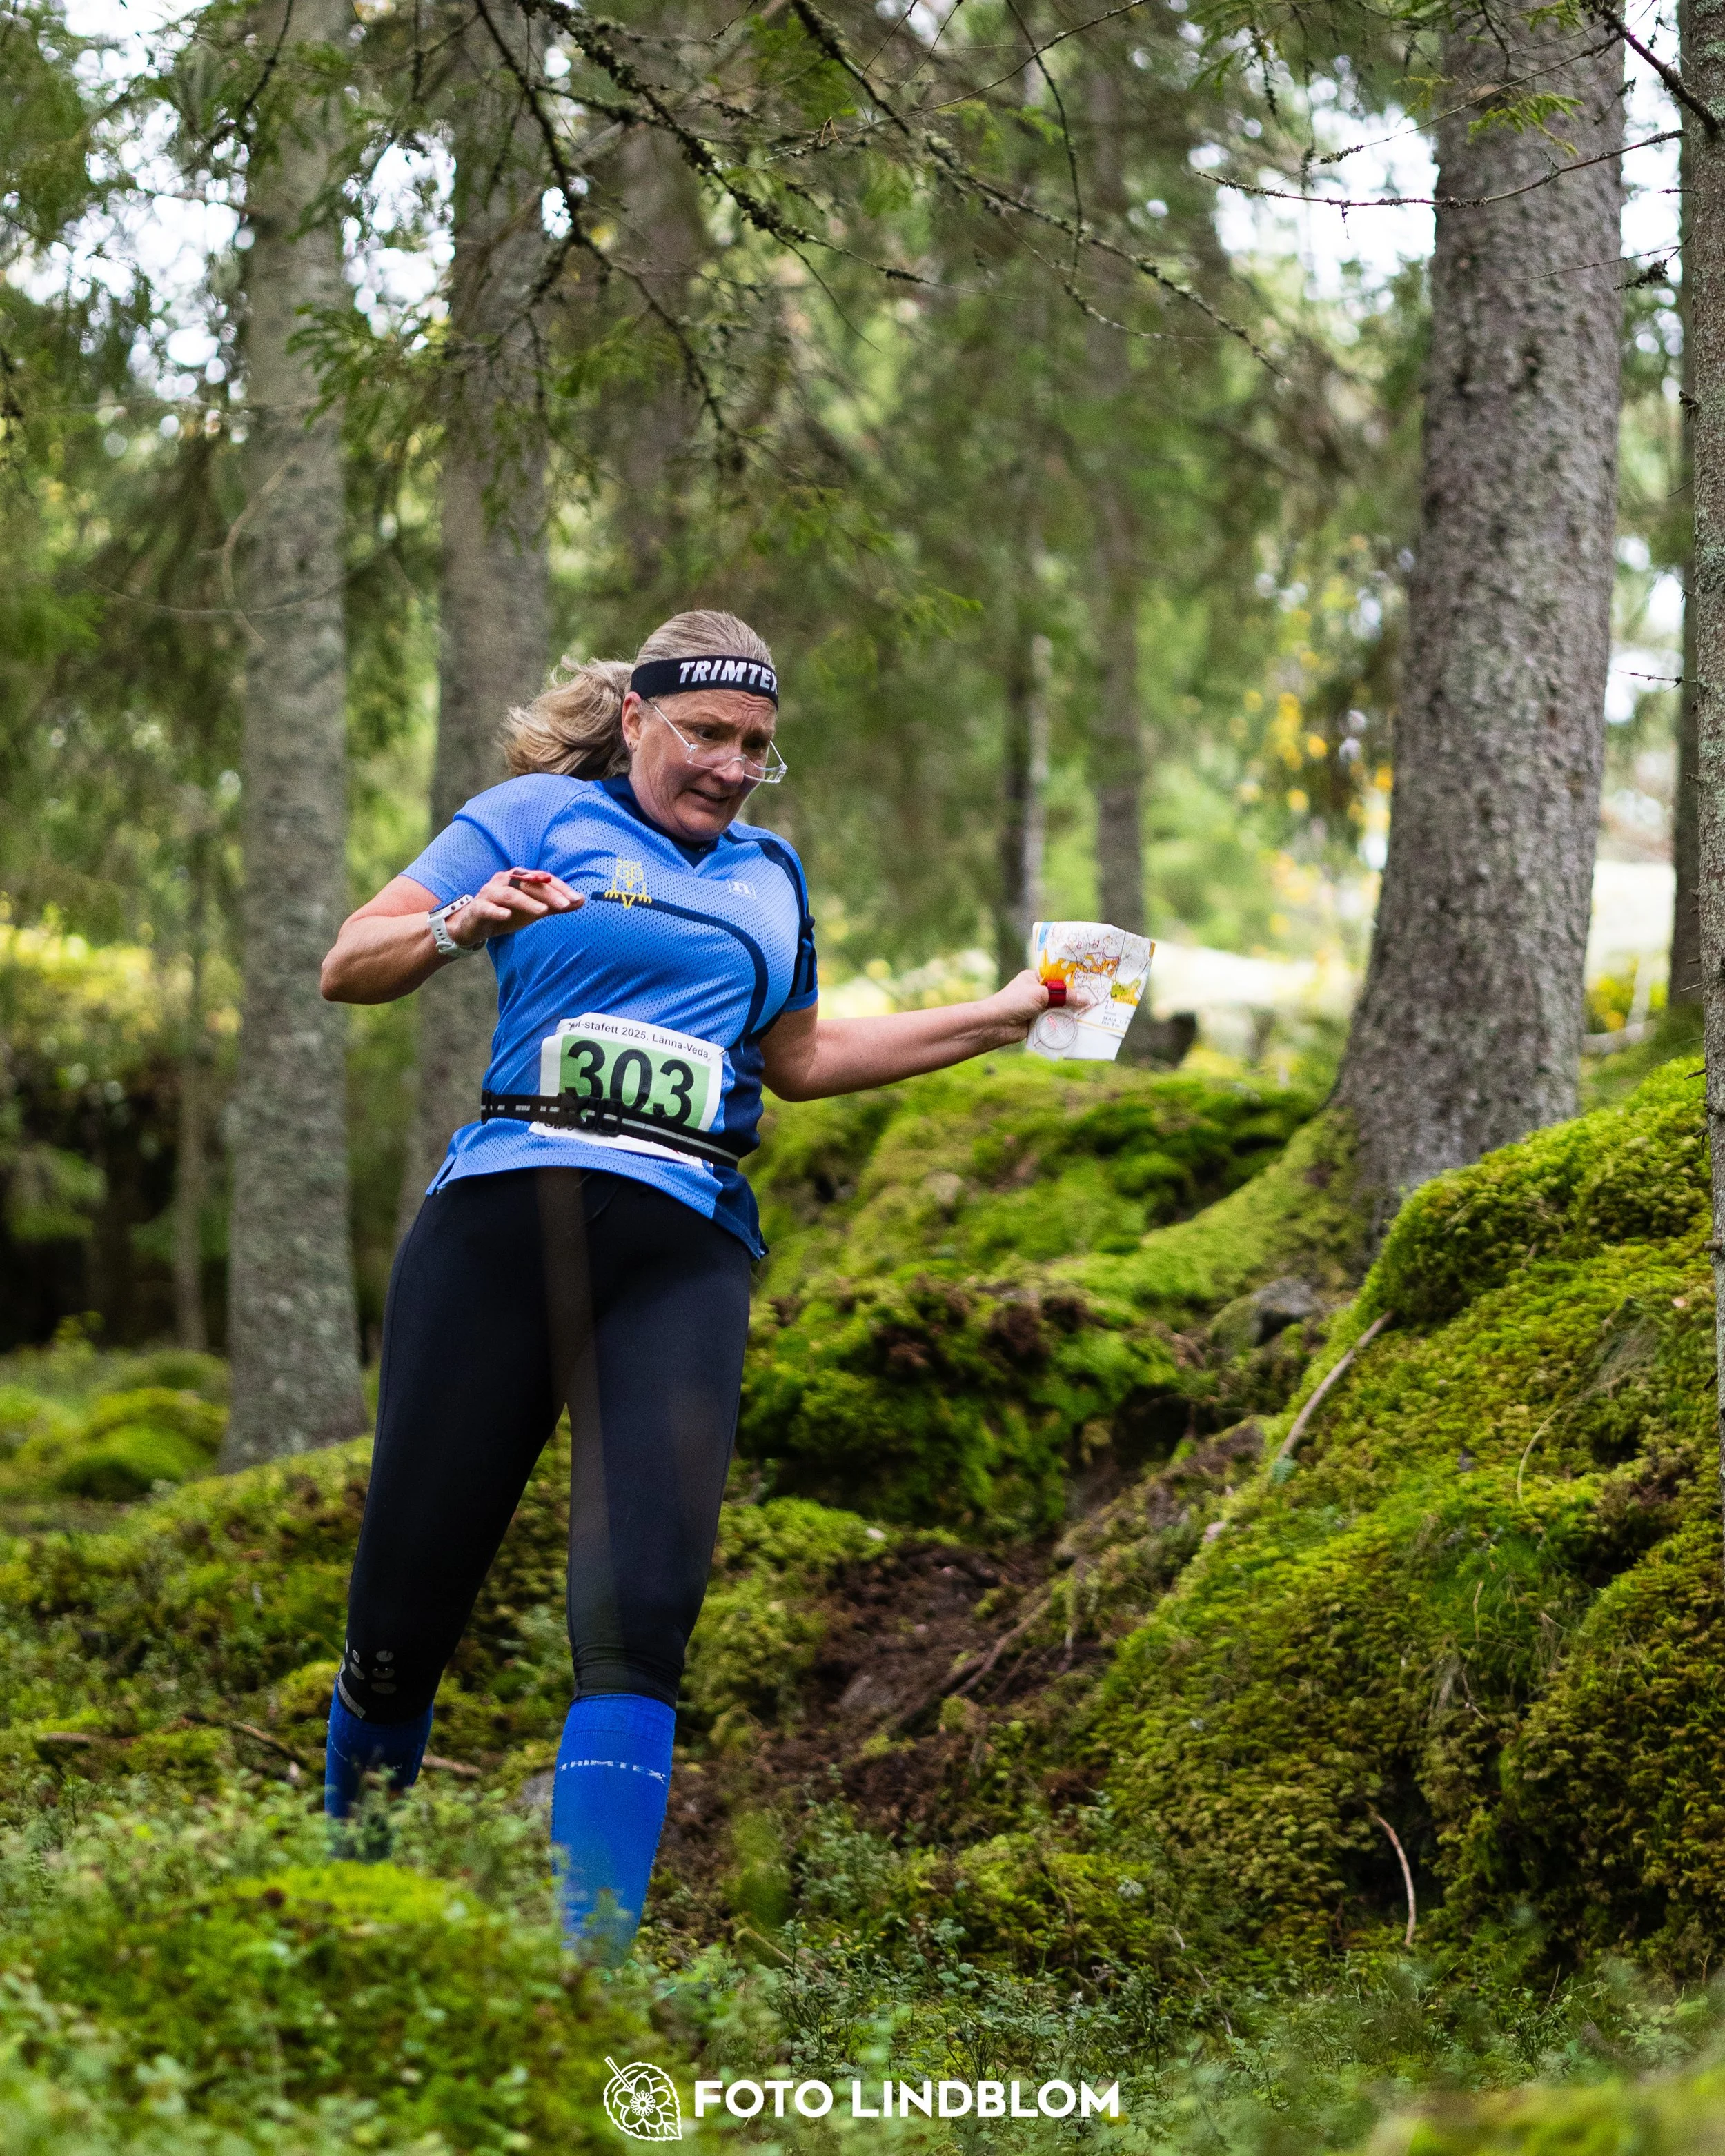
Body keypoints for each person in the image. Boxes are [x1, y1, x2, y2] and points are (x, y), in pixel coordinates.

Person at [318, 609, 1049, 1960]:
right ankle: (339, 1903)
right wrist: (458, 923)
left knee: (641, 1614)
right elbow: (347, 960)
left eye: (755, 747)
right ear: (640, 716)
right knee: (400, 1614)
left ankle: (588, 1985)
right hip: (500, 1224)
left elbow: (806, 1054)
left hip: (684, 1246)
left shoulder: (773, 876)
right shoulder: (530, 812)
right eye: (705, 733)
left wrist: (997, 1018)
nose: (726, 765)